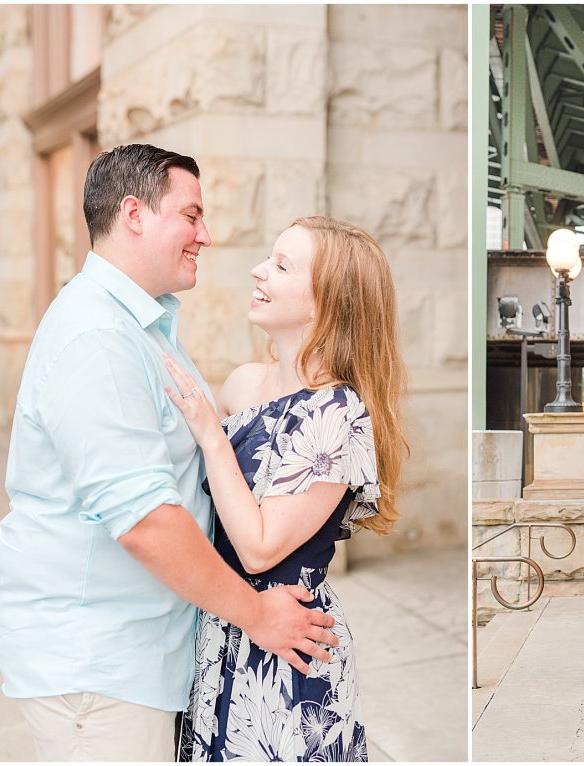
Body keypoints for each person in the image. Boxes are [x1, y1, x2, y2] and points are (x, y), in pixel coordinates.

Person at [0, 144, 338, 762]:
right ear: (134, 214)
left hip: (138, 655)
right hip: (98, 668)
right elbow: (147, 525)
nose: (206, 234)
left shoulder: (140, 327)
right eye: (192, 214)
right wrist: (257, 614)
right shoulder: (98, 339)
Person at [165, 215, 407, 762]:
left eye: (280, 265)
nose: (258, 271)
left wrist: (210, 434)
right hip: (218, 627)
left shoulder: (337, 412)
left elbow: (259, 547)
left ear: (327, 301)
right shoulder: (241, 383)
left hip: (287, 650)